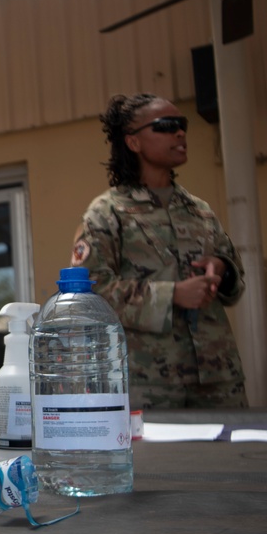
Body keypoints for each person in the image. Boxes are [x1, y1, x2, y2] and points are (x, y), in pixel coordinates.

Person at [71, 93, 247, 409]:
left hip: (219, 376)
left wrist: (221, 267)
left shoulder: (199, 210)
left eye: (182, 125)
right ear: (133, 143)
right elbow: (90, 294)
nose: (179, 133)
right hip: (150, 382)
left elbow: (235, 276)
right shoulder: (106, 213)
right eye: (165, 126)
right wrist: (171, 295)